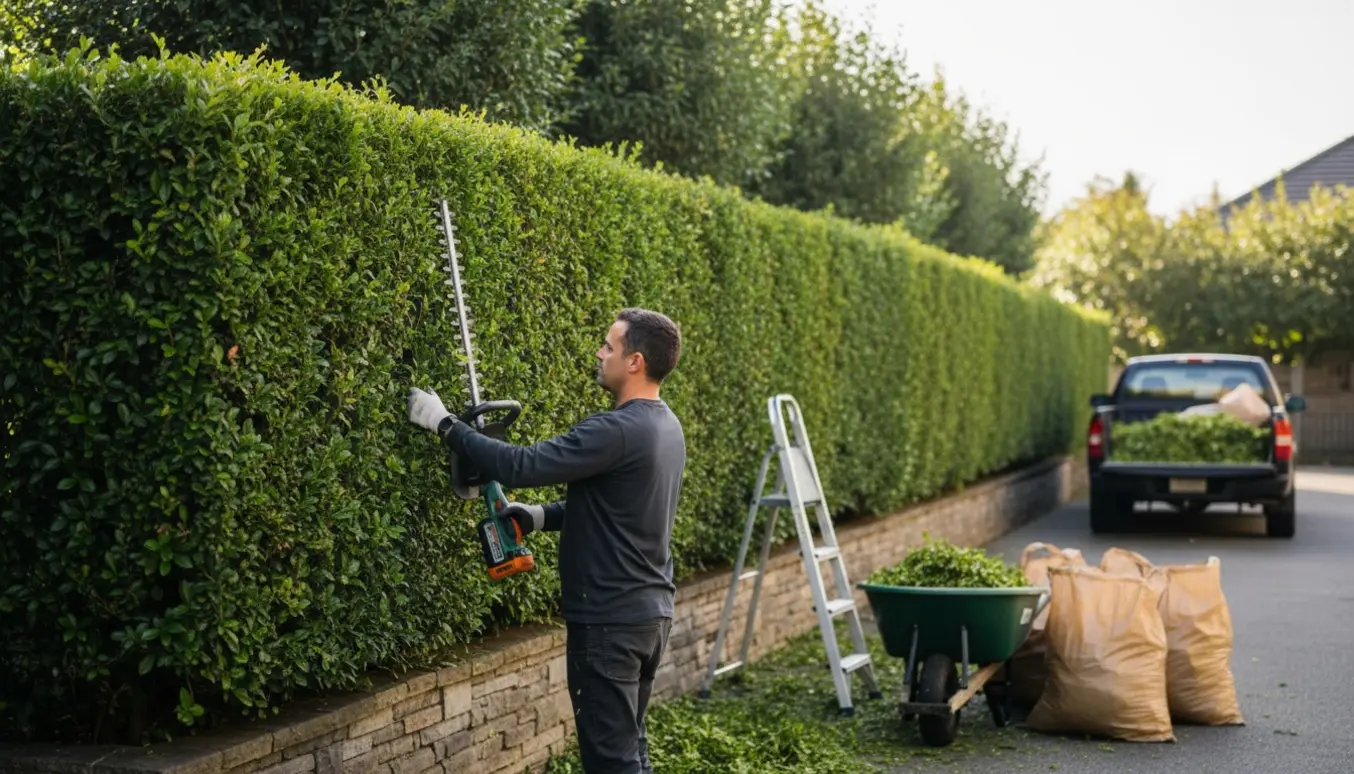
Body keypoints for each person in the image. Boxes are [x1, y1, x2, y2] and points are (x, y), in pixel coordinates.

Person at [407, 307, 686, 774]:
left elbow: (522, 466)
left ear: (635, 362)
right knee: (630, 749)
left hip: (610, 623)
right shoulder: (667, 427)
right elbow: (621, 511)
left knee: (612, 763)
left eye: (609, 346)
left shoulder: (616, 430)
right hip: (649, 616)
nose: (599, 353)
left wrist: (445, 424)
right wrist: (536, 517)